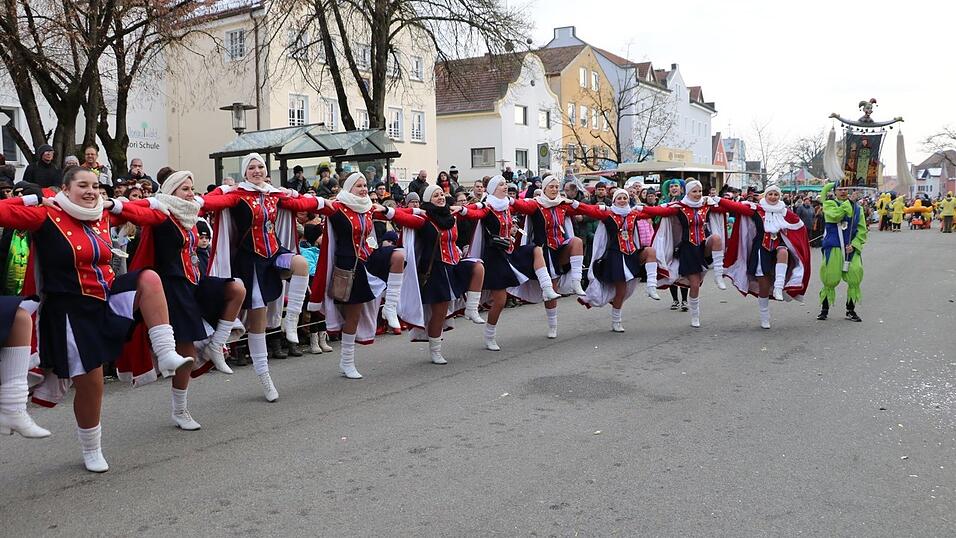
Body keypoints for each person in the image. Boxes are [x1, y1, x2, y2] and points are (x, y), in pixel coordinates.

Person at [0, 167, 194, 472]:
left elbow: (156, 214)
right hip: (71, 310)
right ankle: (91, 448)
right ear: (65, 188)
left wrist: (116, 204)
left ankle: (166, 351)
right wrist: (32, 198)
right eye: (82, 185)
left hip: (106, 298)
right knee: (92, 383)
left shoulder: (102, 214)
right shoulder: (45, 214)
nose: (91, 191)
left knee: (150, 279)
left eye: (95, 185)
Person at [120, 171, 247, 430]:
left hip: (195, 283)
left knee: (236, 289)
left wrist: (235, 192)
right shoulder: (161, 214)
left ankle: (217, 345)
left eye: (191, 188)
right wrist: (117, 204)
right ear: (170, 192)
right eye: (184, 189)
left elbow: (215, 201)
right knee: (186, 351)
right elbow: (138, 211)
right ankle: (180, 410)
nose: (191, 193)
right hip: (173, 287)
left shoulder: (190, 214)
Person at [200, 153, 320, 402]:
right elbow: (207, 204)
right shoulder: (237, 195)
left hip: (274, 253)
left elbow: (305, 206)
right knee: (258, 319)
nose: (257, 171)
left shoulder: (274, 194)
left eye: (261, 167)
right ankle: (263, 376)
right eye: (251, 168)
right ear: (244, 173)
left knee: (300, 263)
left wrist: (298, 195)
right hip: (250, 261)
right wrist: (223, 188)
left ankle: (291, 321)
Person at [309, 172, 422, 379]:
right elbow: (306, 206)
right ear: (349, 188)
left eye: (364, 185)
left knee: (398, 254)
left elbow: (403, 215)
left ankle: (390, 308)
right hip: (348, 266)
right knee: (353, 315)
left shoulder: (368, 207)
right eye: (358, 186)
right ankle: (347, 362)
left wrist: (417, 210)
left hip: (367, 260)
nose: (363, 189)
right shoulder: (337, 207)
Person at [466, 176, 560, 351]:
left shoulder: (507, 205)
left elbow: (525, 207)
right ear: (493, 189)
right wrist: (464, 209)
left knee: (535, 249)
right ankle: (489, 336)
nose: (505, 186)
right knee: (500, 301)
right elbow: (474, 213)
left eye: (505, 184)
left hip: (509, 252)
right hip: (495, 256)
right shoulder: (488, 207)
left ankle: (547, 288)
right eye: (501, 184)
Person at [397, 185, 485, 364]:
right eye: (436, 195)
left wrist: (464, 207)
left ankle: (471, 309)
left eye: (442, 194)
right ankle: (435, 350)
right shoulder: (424, 220)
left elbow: (480, 213)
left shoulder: (450, 216)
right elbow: (399, 215)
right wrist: (413, 209)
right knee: (439, 312)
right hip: (436, 269)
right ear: (428, 200)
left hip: (454, 265)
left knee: (478, 267)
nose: (441, 197)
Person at [512, 174, 604, 338]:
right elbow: (518, 207)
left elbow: (585, 209)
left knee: (576, 241)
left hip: (560, 247)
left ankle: (577, 282)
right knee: (552, 288)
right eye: (551, 187)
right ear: (544, 189)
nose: (554, 190)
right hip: (543, 250)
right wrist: (507, 201)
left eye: (556, 187)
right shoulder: (536, 205)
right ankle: (552, 325)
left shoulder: (562, 205)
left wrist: (603, 209)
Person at [719, 185, 812, 329]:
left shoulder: (785, 212)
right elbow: (735, 207)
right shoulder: (757, 209)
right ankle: (764, 316)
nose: (773, 197)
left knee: (783, 252)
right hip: (761, 250)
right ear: (765, 196)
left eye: (776, 194)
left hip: (778, 248)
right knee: (764, 285)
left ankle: (779, 287)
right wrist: (716, 199)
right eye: (770, 194)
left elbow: (800, 227)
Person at [579, 189, 661, 331]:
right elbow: (587, 210)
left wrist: (673, 206)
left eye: (625, 198)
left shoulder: (633, 214)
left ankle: (651, 286)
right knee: (621, 290)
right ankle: (616, 321)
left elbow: (656, 211)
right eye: (619, 198)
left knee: (650, 251)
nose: (623, 200)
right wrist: (570, 204)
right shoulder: (608, 214)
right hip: (615, 256)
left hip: (631, 254)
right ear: (614, 200)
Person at [651, 180, 729, 328]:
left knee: (717, 238)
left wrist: (717, 199)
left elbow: (727, 209)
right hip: (688, 249)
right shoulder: (679, 208)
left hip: (703, 247)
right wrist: (635, 210)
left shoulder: (706, 206)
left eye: (700, 191)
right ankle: (695, 315)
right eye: (694, 191)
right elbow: (660, 212)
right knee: (695, 285)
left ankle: (719, 275)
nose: (698, 194)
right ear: (687, 192)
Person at [817, 182, 867, 322]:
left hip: (850, 249)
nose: (843, 192)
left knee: (855, 275)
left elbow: (862, 230)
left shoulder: (858, 209)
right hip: (833, 247)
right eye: (840, 189)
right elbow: (836, 216)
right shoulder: (829, 204)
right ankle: (824, 309)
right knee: (830, 277)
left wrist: (855, 244)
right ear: (835, 191)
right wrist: (849, 202)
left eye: (846, 189)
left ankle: (850, 310)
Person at [659, 179, 689, 311]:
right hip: (668, 238)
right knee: (670, 268)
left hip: (682, 238)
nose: (673, 188)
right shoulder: (663, 202)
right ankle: (675, 300)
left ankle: (685, 301)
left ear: (682, 188)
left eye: (676, 186)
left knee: (683, 270)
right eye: (671, 186)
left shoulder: (686, 202)